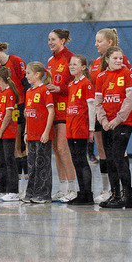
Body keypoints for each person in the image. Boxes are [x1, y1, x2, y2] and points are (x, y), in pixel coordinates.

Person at [89, 28, 132, 203]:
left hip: (121, 121)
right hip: (106, 121)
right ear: (107, 60)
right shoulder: (101, 75)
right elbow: (98, 100)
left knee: (118, 156)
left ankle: (127, 196)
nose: (118, 61)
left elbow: (130, 98)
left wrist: (117, 119)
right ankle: (114, 194)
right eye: (115, 58)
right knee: (109, 157)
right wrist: (103, 120)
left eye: (120, 58)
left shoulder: (126, 71)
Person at [0, 42, 30, 195]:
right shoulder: (0, 75)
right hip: (7, 110)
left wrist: (27, 107)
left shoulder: (16, 61)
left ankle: (24, 186)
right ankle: (9, 187)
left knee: (21, 149)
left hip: (20, 107)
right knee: (11, 151)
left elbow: (27, 84)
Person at [46, 29, 77, 202]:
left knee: (64, 149)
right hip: (53, 110)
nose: (50, 42)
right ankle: (63, 188)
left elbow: (76, 83)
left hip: (66, 110)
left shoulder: (71, 58)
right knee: (56, 149)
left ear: (63, 41)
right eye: (49, 39)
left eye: (53, 39)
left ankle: (72, 189)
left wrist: (60, 89)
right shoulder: (50, 61)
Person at [65, 55, 96, 205]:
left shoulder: (86, 84)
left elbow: (91, 107)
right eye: (70, 64)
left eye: (75, 64)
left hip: (81, 128)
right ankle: (81, 193)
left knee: (82, 160)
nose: (71, 67)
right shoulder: (71, 84)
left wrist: (91, 129)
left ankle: (87, 194)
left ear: (83, 67)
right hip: (70, 128)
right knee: (75, 161)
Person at [22, 62, 55, 204]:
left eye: (28, 73)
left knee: (42, 165)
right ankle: (31, 192)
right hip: (31, 134)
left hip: (42, 135)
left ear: (37, 75)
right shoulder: (29, 92)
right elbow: (27, 114)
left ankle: (44, 194)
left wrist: (46, 132)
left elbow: (51, 112)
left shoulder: (44, 91)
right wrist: (25, 133)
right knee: (31, 165)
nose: (26, 76)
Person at [0, 67, 20, 202]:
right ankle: (1, 189)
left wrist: (0, 132)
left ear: (0, 78)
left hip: (7, 133)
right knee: (0, 161)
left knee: (9, 160)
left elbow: (8, 116)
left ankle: (13, 191)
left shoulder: (9, 93)